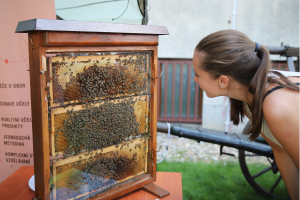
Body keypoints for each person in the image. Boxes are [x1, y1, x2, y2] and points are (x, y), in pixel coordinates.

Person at [193, 30, 299, 199]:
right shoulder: (247, 99)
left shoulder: (275, 108)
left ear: (222, 81)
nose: (195, 80)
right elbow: (280, 151)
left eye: (197, 74)